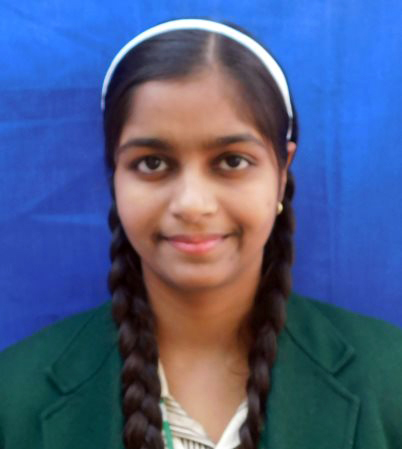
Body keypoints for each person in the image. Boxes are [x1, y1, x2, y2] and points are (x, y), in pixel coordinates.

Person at [0, 18, 401, 449]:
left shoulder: (389, 377)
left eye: (231, 161)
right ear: (114, 175)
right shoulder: (15, 395)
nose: (192, 204)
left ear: (282, 173)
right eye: (152, 163)